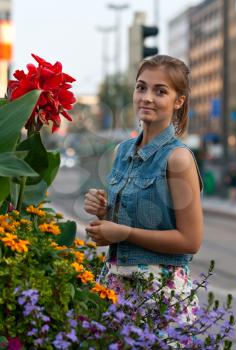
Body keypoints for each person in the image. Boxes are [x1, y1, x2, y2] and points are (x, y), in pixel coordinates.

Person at [84, 55, 203, 323]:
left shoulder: (178, 158)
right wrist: (104, 212)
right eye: (141, 87)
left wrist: (122, 233)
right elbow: (129, 221)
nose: (147, 97)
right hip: (115, 287)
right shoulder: (122, 151)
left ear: (179, 100)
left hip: (160, 294)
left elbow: (191, 240)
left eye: (160, 91)